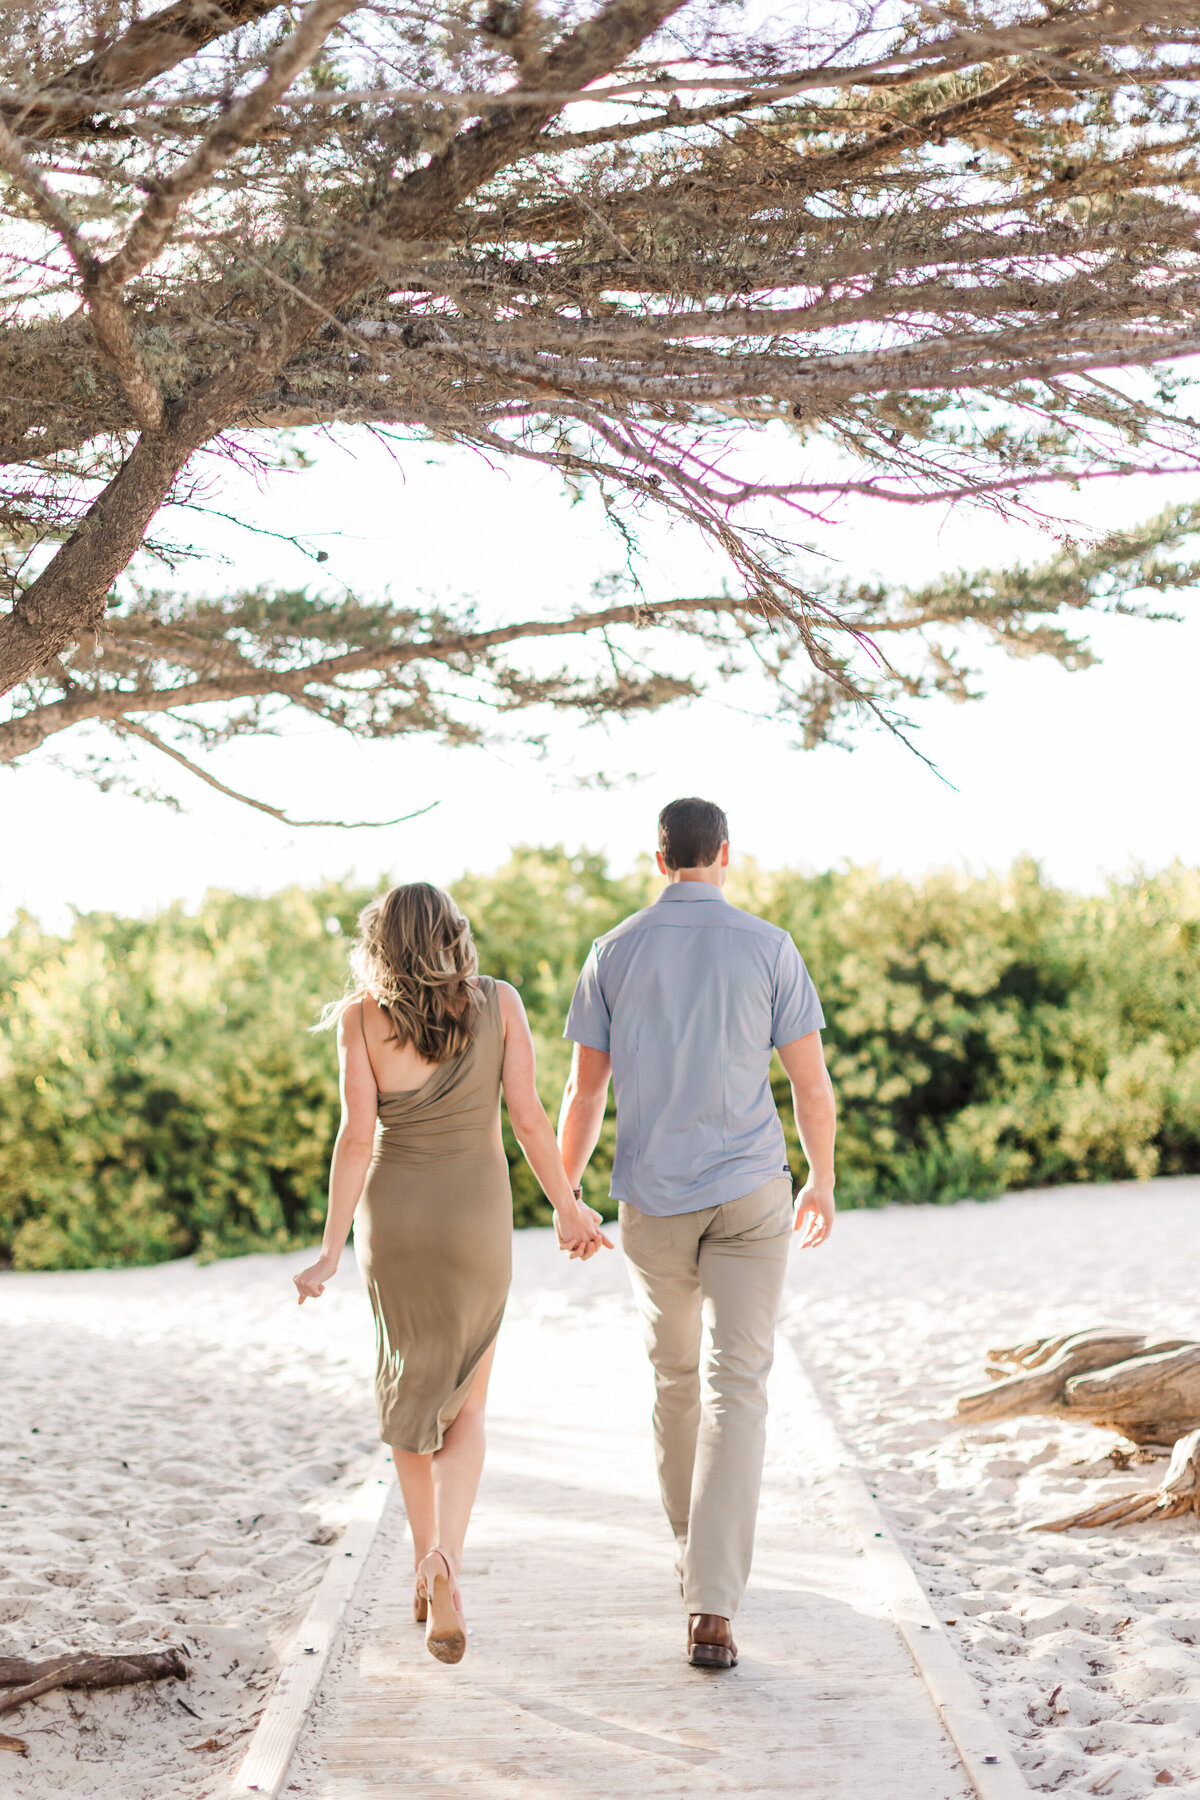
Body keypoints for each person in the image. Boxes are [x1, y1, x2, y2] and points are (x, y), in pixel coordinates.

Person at [293, 882, 608, 1665]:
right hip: (475, 1220)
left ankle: (421, 1552)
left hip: (394, 1222)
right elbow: (530, 1119)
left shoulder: (361, 1019)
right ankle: (446, 1566)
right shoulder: (500, 1003)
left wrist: (331, 1249)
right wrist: (569, 1207)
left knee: (408, 1397)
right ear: (454, 934)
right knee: (465, 1407)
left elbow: (354, 1140)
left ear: (381, 945)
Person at [557, 797, 836, 1670]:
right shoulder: (769, 945)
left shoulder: (613, 951)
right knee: (738, 1388)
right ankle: (712, 1604)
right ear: (724, 854)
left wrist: (567, 1193)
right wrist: (823, 1178)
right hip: (752, 1193)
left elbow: (585, 1094)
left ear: (659, 859)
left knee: (675, 1379)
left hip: (654, 1201)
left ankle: (694, 1560)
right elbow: (810, 1086)